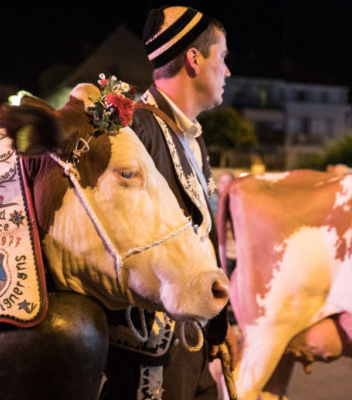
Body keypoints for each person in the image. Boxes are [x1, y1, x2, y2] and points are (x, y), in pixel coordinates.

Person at [102, 6, 237, 400]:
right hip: (150, 357)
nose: (227, 72)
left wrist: (217, 326)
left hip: (190, 348)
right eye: (223, 58)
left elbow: (199, 237)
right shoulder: (135, 131)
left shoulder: (193, 139)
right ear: (194, 59)